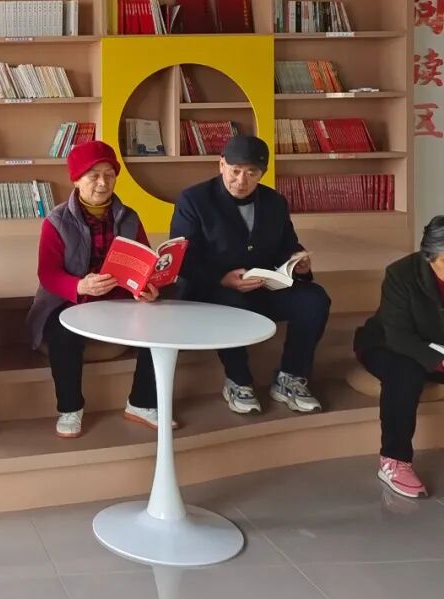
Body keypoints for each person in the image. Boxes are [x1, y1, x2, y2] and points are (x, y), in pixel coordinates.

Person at [171, 134, 331, 415]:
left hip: (262, 286)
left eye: (251, 173)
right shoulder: (193, 199)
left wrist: (297, 262)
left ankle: (291, 378)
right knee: (233, 304)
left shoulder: (275, 202)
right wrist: (222, 279)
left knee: (315, 299)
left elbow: (287, 246)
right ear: (221, 165)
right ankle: (238, 381)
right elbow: (182, 259)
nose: (241, 181)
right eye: (235, 171)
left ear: (262, 174)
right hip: (212, 290)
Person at [28, 140, 172, 439]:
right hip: (70, 302)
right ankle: (70, 408)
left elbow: (143, 261)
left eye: (109, 175)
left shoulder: (129, 217)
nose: (103, 183)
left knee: (160, 327)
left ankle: (141, 403)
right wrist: (79, 285)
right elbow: (48, 274)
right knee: (62, 335)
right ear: (76, 180)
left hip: (119, 301)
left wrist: (147, 286)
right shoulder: (56, 221)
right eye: (93, 176)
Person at [353, 216, 444, 498]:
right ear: (429, 256)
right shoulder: (401, 273)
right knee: (405, 372)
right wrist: (439, 361)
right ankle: (394, 460)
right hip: (388, 345)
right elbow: (398, 336)